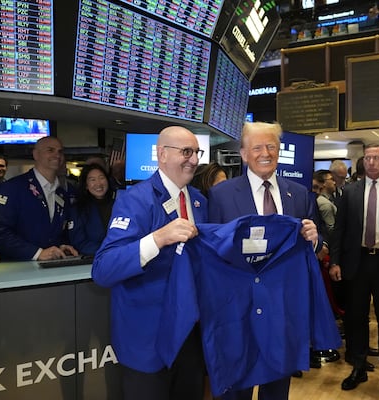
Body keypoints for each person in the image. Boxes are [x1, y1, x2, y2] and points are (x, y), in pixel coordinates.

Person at [207, 121, 322, 400]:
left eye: (271, 146)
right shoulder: (221, 195)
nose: (265, 153)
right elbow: (211, 254)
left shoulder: (299, 193)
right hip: (239, 313)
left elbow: (313, 247)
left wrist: (315, 239)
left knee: (277, 389)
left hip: (282, 311)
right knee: (237, 390)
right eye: (257, 147)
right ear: (244, 154)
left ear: (279, 150)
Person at [92, 126, 207, 400]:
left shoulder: (200, 202)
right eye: (186, 152)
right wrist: (156, 239)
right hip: (148, 340)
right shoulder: (134, 200)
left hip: (190, 338)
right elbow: (103, 269)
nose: (193, 159)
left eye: (196, 152)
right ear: (162, 155)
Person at [329, 143, 379, 399]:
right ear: (362, 162)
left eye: (376, 157)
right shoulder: (350, 192)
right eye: (368, 158)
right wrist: (335, 261)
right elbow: (339, 230)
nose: (372, 162)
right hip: (357, 262)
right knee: (356, 318)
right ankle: (358, 367)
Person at [0, 137, 78, 261]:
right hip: (17, 268)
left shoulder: (61, 193)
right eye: (50, 150)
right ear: (36, 154)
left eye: (60, 151)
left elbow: (57, 231)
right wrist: (36, 253)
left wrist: (61, 245)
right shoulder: (13, 188)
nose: (57, 155)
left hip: (51, 268)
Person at [69, 164, 114, 255]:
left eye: (101, 178)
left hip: (122, 258)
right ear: (86, 185)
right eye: (92, 180)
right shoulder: (78, 209)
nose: (98, 183)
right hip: (93, 259)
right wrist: (108, 251)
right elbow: (79, 243)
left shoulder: (120, 204)